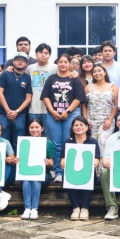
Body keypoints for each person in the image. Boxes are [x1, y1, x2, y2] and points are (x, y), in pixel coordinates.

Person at [43, 54, 86, 183]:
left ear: (69, 64)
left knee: (69, 142)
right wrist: (53, 111)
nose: (62, 64)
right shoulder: (51, 78)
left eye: (65, 62)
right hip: (53, 114)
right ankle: (58, 172)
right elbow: (45, 97)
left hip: (71, 114)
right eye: (60, 62)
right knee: (57, 144)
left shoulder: (75, 79)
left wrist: (67, 111)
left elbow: (79, 98)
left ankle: (70, 171)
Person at [61, 117, 101, 220]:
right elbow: (62, 159)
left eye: (81, 125)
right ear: (72, 128)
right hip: (72, 172)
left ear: (87, 127)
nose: (79, 127)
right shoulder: (67, 142)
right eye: (76, 125)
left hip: (87, 172)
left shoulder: (93, 141)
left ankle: (85, 208)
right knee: (67, 177)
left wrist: (95, 164)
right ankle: (75, 208)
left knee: (89, 178)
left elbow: (97, 159)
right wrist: (63, 163)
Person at [0, 52, 33, 150]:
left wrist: (17, 111)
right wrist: (8, 110)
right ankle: (4, 164)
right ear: (13, 62)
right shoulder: (5, 74)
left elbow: (28, 98)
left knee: (18, 143)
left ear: (26, 64)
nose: (20, 62)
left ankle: (16, 164)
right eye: (17, 60)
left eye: (23, 60)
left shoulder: (27, 78)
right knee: (3, 142)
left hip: (20, 115)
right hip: (4, 114)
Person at [19, 118, 54, 220]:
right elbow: (21, 161)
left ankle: (34, 208)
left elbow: (52, 164)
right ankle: (27, 208)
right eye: (32, 127)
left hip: (43, 175)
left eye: (37, 127)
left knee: (35, 178)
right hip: (27, 174)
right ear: (28, 129)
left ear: (42, 128)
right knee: (26, 179)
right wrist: (17, 160)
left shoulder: (48, 143)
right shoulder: (24, 143)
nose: (34, 130)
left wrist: (48, 162)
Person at [84, 64, 118, 155]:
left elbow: (116, 105)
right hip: (91, 121)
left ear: (105, 72)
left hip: (106, 121)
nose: (97, 73)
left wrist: (110, 119)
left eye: (99, 71)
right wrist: (85, 120)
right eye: (94, 71)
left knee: (103, 143)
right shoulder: (88, 87)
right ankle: (93, 168)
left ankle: (103, 168)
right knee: (92, 144)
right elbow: (83, 105)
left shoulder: (113, 86)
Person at [27, 43, 55, 125]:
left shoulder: (55, 68)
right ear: (36, 54)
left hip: (49, 109)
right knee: (34, 134)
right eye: (41, 52)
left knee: (48, 136)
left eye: (46, 53)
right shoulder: (30, 68)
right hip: (33, 109)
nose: (43, 55)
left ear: (49, 55)